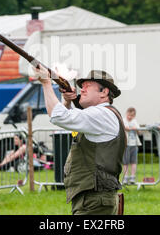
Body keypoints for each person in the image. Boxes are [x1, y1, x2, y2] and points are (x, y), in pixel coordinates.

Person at [34, 66, 126, 215]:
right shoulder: (100, 114)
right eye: (82, 87)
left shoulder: (101, 114)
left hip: (94, 199)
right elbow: (66, 118)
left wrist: (46, 83)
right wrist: (67, 102)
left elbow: (58, 116)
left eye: (87, 87)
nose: (82, 90)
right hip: (93, 198)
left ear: (104, 92)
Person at [122, 107, 141, 185]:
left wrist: (135, 129)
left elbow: (140, 132)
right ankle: (125, 177)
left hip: (134, 144)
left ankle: (133, 177)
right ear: (126, 114)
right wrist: (125, 128)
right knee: (125, 162)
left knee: (133, 161)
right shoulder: (123, 120)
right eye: (129, 115)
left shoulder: (135, 121)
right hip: (126, 144)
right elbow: (121, 129)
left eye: (132, 116)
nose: (130, 117)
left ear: (134, 116)